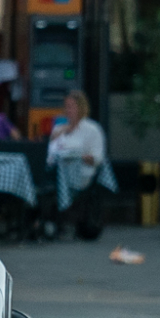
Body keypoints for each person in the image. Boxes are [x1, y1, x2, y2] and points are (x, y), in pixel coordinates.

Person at [46, 89, 110, 242]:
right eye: (66, 106)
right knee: (48, 177)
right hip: (58, 171)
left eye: (72, 106)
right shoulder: (60, 129)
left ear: (81, 108)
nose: (68, 110)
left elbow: (97, 158)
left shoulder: (92, 129)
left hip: (82, 172)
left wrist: (78, 156)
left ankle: (61, 222)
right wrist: (58, 136)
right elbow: (50, 154)